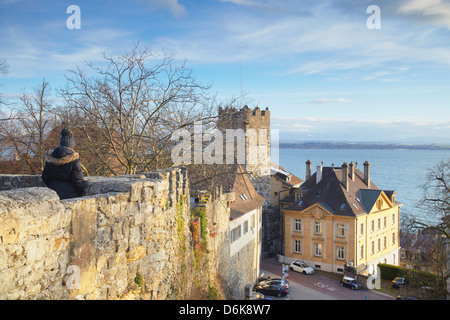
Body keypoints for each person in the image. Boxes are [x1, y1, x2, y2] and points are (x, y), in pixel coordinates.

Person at [42, 128, 84, 199]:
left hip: (52, 193)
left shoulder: (51, 158)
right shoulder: (73, 160)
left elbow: (45, 177)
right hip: (70, 195)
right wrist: (80, 191)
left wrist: (51, 185)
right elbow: (77, 180)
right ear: (72, 147)